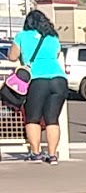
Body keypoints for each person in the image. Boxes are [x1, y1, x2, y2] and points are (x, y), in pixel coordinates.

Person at [7, 9, 68, 163]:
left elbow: (12, 57)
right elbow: (56, 54)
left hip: (38, 80)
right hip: (59, 79)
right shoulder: (53, 37)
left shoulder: (22, 36)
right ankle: (53, 155)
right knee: (52, 119)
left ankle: (36, 153)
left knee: (32, 118)